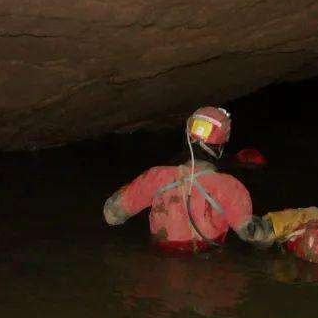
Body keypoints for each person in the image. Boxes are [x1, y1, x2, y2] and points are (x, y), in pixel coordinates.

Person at [102, 106, 275, 251]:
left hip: (161, 266)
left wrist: (130, 189)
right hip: (210, 268)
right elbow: (255, 236)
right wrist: (273, 227)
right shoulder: (230, 186)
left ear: (187, 137)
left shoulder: (155, 177)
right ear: (221, 147)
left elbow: (111, 215)